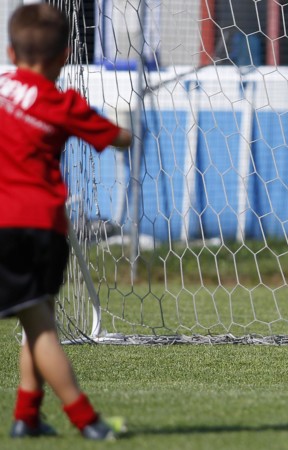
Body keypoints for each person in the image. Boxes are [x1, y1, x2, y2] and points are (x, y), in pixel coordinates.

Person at [0, 4, 132, 440]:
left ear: (10, 52)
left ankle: (27, 416)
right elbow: (117, 138)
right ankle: (86, 420)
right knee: (40, 326)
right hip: (38, 227)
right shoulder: (62, 102)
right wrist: (127, 128)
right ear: (63, 59)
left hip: (8, 225)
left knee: (35, 317)